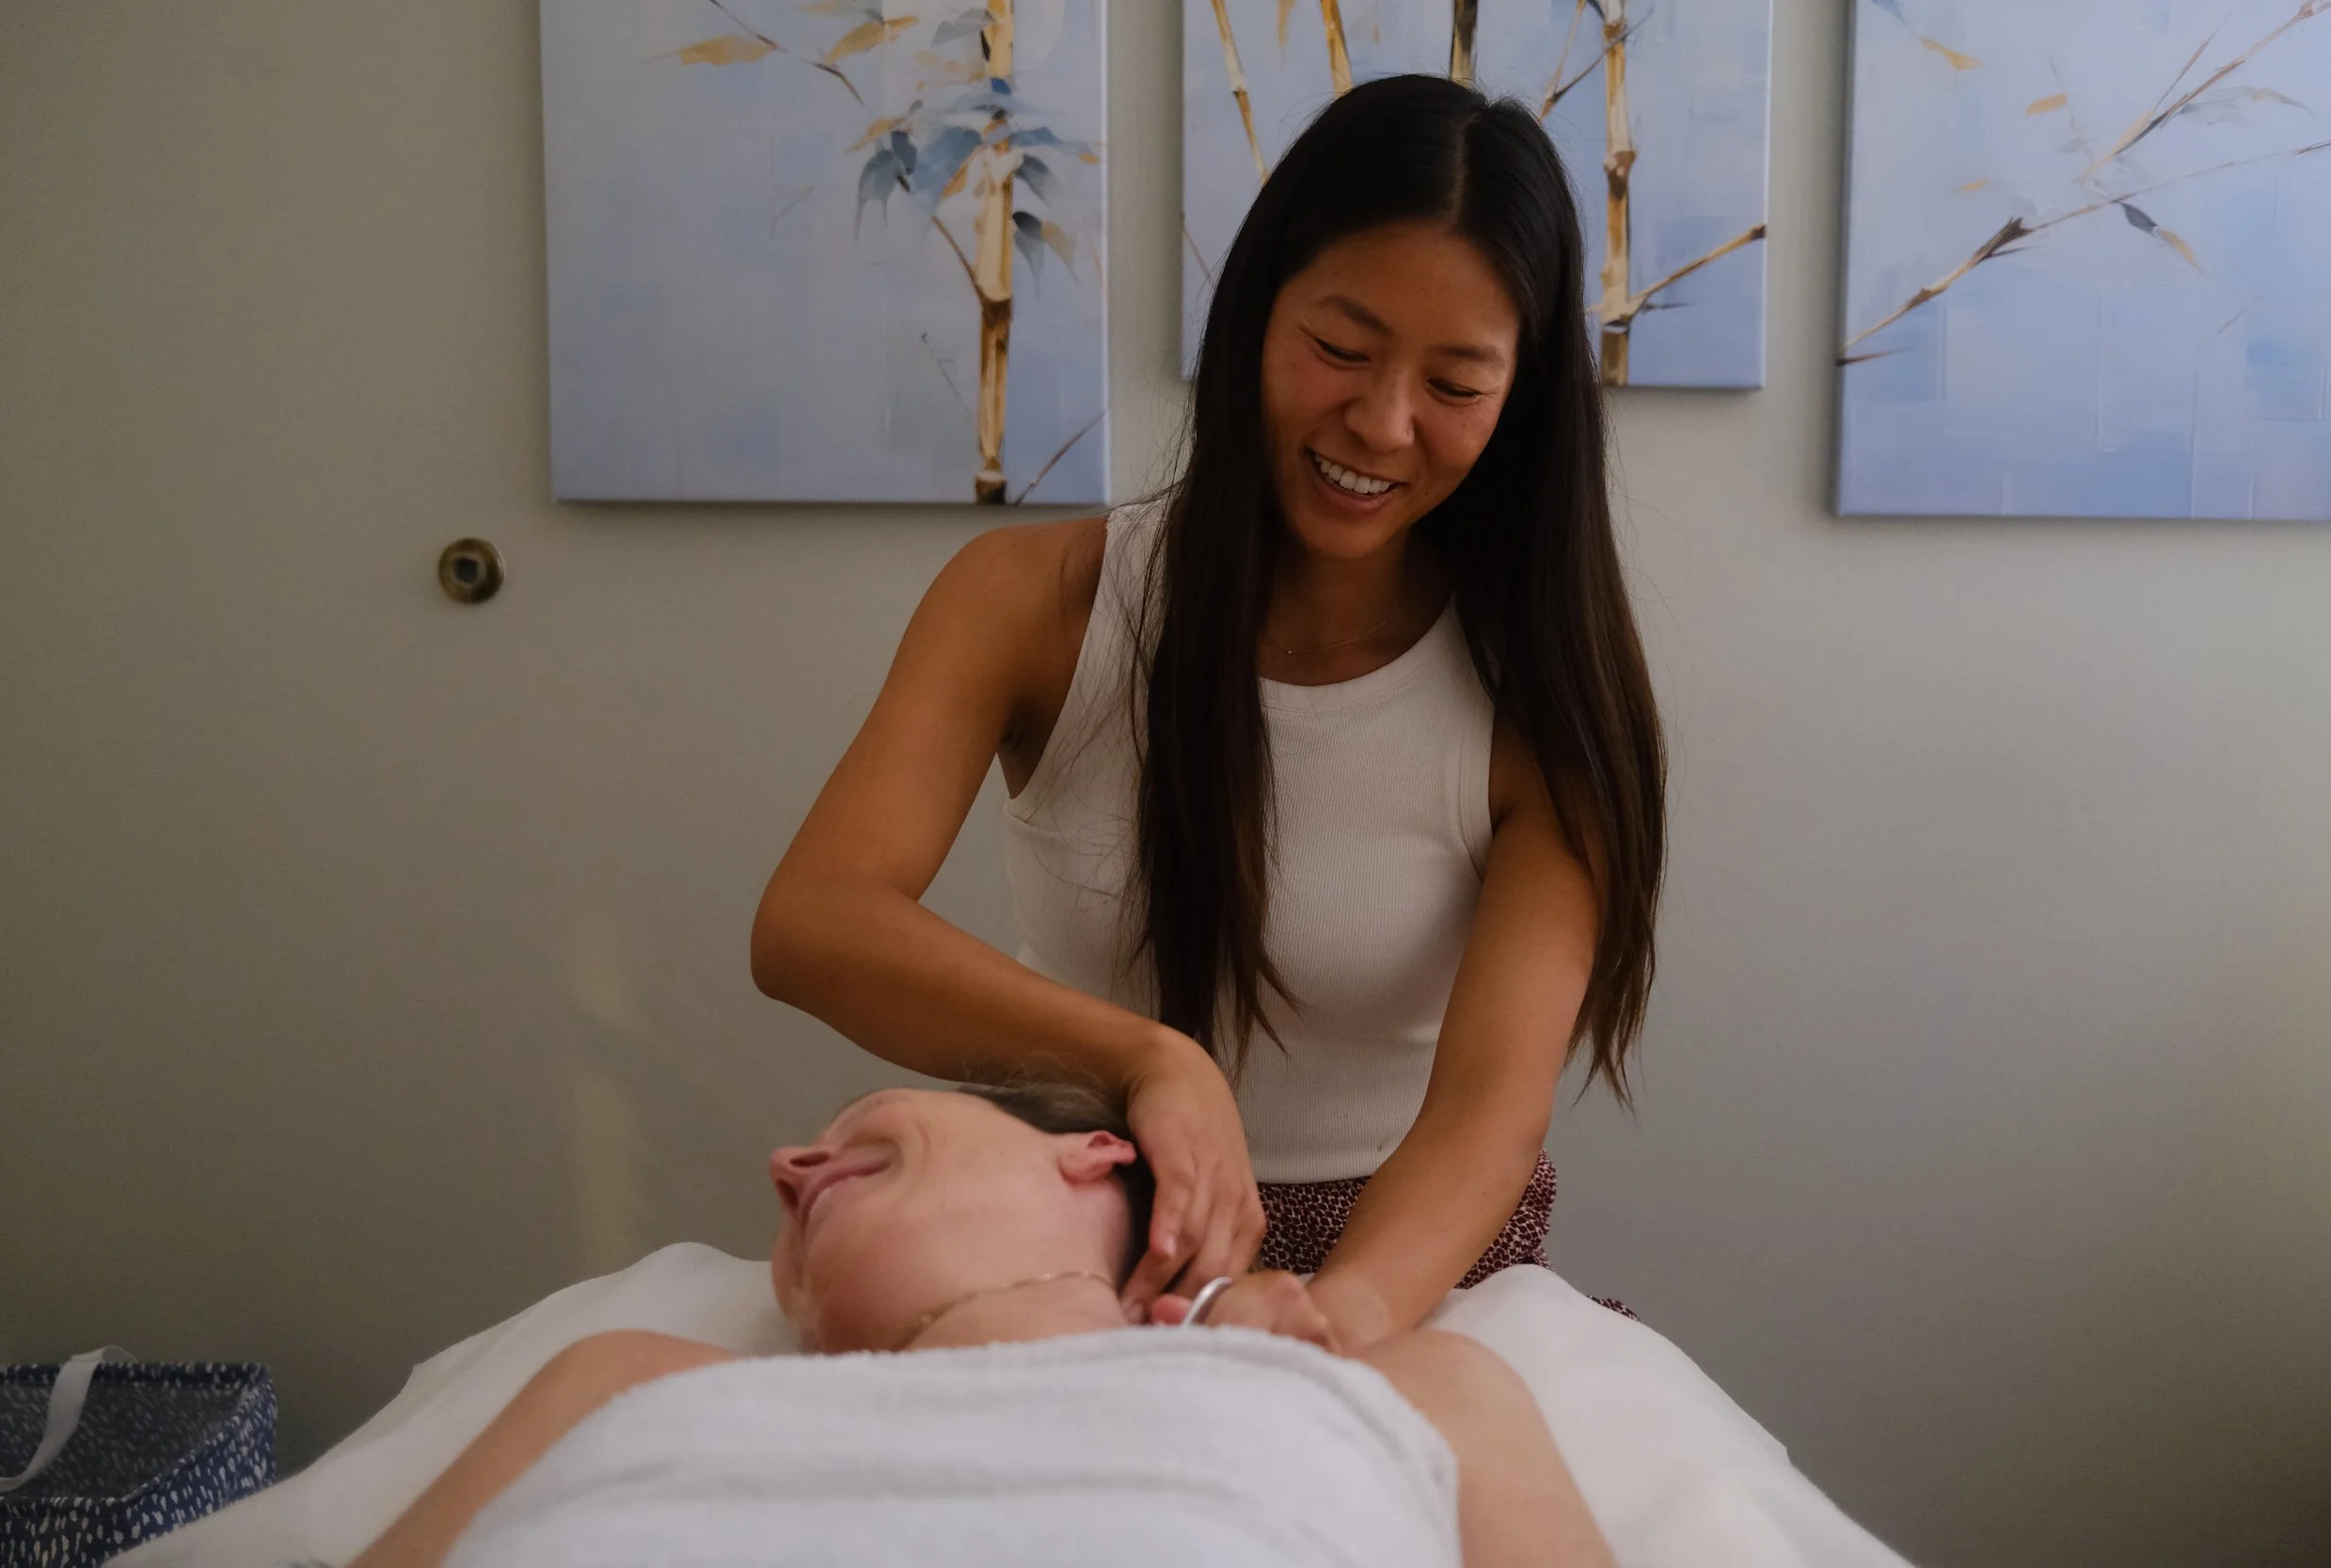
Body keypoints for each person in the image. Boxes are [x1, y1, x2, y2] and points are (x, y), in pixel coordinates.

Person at [752, 72, 1665, 1350]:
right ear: (1250, 314)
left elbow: (1486, 1116)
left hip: (1405, 1258)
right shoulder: (1035, 601)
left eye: (1457, 384)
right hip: (1075, 1212)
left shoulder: (1545, 693)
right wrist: (1146, 1058)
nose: (1383, 422)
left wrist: (1337, 1311)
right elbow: (811, 921)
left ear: (1522, 404)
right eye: (1341, 349)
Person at [348, 1085, 1620, 1568]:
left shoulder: (1395, 1388)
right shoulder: (623, 1378)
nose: (790, 1159)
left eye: (859, 1128)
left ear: (1093, 1152)